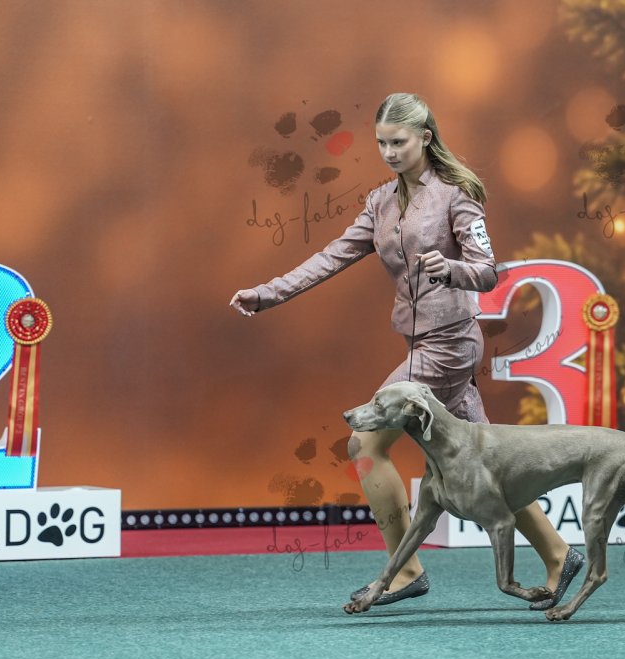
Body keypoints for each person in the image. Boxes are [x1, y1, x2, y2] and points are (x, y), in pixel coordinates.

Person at [230, 92, 583, 608]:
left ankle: (405, 570)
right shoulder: (380, 202)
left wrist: (451, 268)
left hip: (449, 344)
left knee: (364, 444)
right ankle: (558, 554)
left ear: (425, 138)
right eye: (381, 143)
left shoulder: (457, 195)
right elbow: (332, 256)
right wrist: (268, 293)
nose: (389, 152)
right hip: (422, 342)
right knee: (487, 466)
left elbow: (486, 272)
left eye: (399, 142)